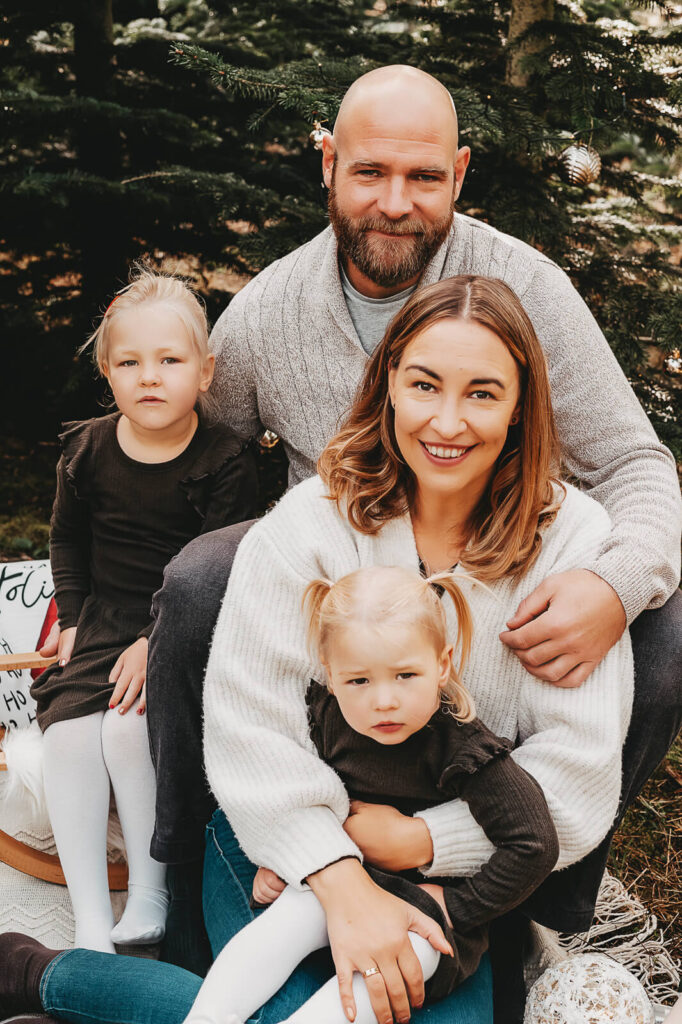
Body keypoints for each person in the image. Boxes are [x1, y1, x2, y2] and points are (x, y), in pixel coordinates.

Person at [2, 274, 631, 1024]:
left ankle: (51, 984)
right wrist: (338, 873)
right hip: (286, 843)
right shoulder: (315, 520)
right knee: (277, 1008)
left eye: (484, 393)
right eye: (425, 385)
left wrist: (415, 843)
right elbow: (249, 725)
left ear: (523, 405)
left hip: (459, 874)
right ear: (388, 383)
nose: (449, 421)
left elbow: (576, 778)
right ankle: (44, 974)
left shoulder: (573, 543)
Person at [183, 564, 559, 1024]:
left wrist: (460, 907)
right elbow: (299, 795)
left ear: (442, 665)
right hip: (344, 884)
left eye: (405, 675)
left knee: (413, 955)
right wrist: (281, 860)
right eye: (359, 680)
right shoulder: (328, 719)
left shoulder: (464, 750)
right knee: (287, 919)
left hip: (421, 911)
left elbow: (534, 842)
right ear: (331, 675)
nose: (383, 700)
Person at [29, 269, 258, 954]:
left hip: (182, 629)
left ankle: (151, 896)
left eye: (170, 360)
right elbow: (66, 540)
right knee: (67, 739)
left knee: (130, 730)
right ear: (108, 371)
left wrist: (157, 642)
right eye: (130, 363)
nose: (149, 377)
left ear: (205, 370)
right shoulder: (89, 450)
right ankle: (92, 920)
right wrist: (71, 620)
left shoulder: (224, 459)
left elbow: (227, 568)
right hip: (102, 623)